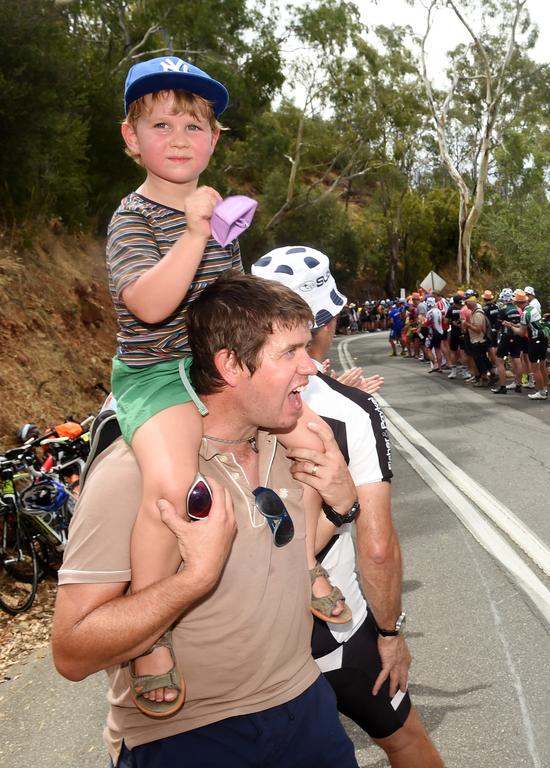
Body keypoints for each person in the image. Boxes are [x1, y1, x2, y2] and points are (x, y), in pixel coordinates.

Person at [105, 57, 348, 716]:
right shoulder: (132, 221)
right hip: (157, 374)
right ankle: (148, 636)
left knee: (307, 431)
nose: (180, 137)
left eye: (194, 124)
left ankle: (302, 565)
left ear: (214, 139)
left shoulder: (222, 217)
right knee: (172, 482)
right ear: (132, 139)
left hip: (215, 364)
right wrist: (193, 232)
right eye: (161, 124)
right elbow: (151, 305)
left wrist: (290, 358)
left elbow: (233, 305)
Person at [52, 273, 359, 767]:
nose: (312, 366)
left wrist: (343, 505)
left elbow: (277, 561)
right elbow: (72, 651)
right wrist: (193, 579)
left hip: (306, 707)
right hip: (189, 736)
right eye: (291, 352)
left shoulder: (288, 445)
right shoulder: (135, 474)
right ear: (231, 365)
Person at [254, 249, 444, 767]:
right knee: (409, 744)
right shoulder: (347, 410)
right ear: (325, 318)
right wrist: (389, 633)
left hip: (239, 631)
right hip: (330, 624)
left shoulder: (212, 394)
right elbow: (376, 546)